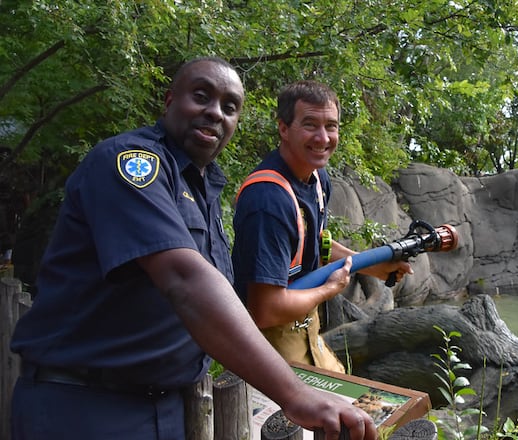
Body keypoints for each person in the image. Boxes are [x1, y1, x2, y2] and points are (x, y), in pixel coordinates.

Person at [10, 58, 376, 440]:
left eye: (230, 107)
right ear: (169, 100)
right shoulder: (131, 165)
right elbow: (186, 280)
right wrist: (294, 394)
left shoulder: (204, 187)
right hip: (85, 406)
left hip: (166, 404)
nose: (215, 112)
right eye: (201, 97)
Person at [232, 80, 412, 372]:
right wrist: (329, 290)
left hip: (307, 331)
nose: (323, 137)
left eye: (331, 126)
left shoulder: (317, 179)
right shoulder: (268, 199)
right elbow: (265, 311)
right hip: (265, 346)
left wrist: (373, 267)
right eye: (310, 125)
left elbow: (313, 244)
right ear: (283, 129)